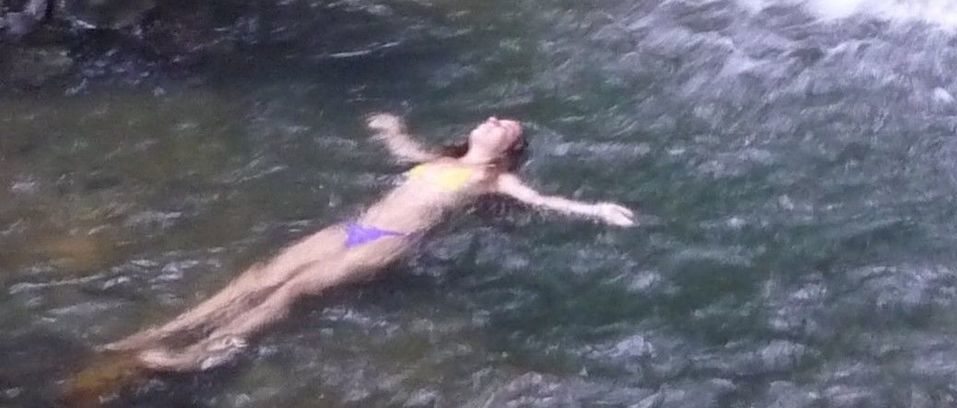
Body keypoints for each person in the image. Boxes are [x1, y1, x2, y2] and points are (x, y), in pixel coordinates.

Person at [95, 113, 635, 376]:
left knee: (294, 292)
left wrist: (595, 209)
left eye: (504, 125)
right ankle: (163, 331)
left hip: (391, 241)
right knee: (257, 278)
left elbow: (543, 200)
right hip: (356, 227)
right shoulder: (439, 160)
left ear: (507, 151)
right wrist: (389, 127)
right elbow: (402, 149)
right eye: (492, 117)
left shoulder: (492, 180)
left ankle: (195, 357)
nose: (492, 120)